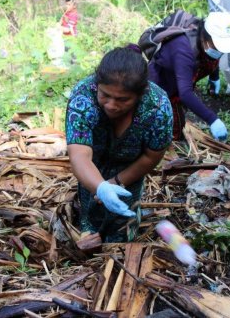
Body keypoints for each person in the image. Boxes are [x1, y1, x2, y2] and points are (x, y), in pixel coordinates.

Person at [65, 47, 173, 243]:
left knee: (123, 222)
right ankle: (89, 233)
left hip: (131, 166)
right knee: (91, 212)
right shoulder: (83, 97)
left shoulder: (158, 107)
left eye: (123, 99)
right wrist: (101, 187)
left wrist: (116, 181)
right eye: (105, 95)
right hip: (92, 163)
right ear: (97, 85)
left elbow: (151, 156)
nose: (111, 105)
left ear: (140, 95)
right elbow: (79, 155)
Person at [146, 11, 230, 142]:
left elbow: (213, 58)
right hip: (163, 82)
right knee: (165, 124)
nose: (220, 52)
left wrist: (214, 76)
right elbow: (185, 93)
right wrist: (212, 120)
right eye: (217, 46)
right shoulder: (183, 50)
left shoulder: (205, 44)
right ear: (205, 38)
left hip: (180, 77)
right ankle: (165, 147)